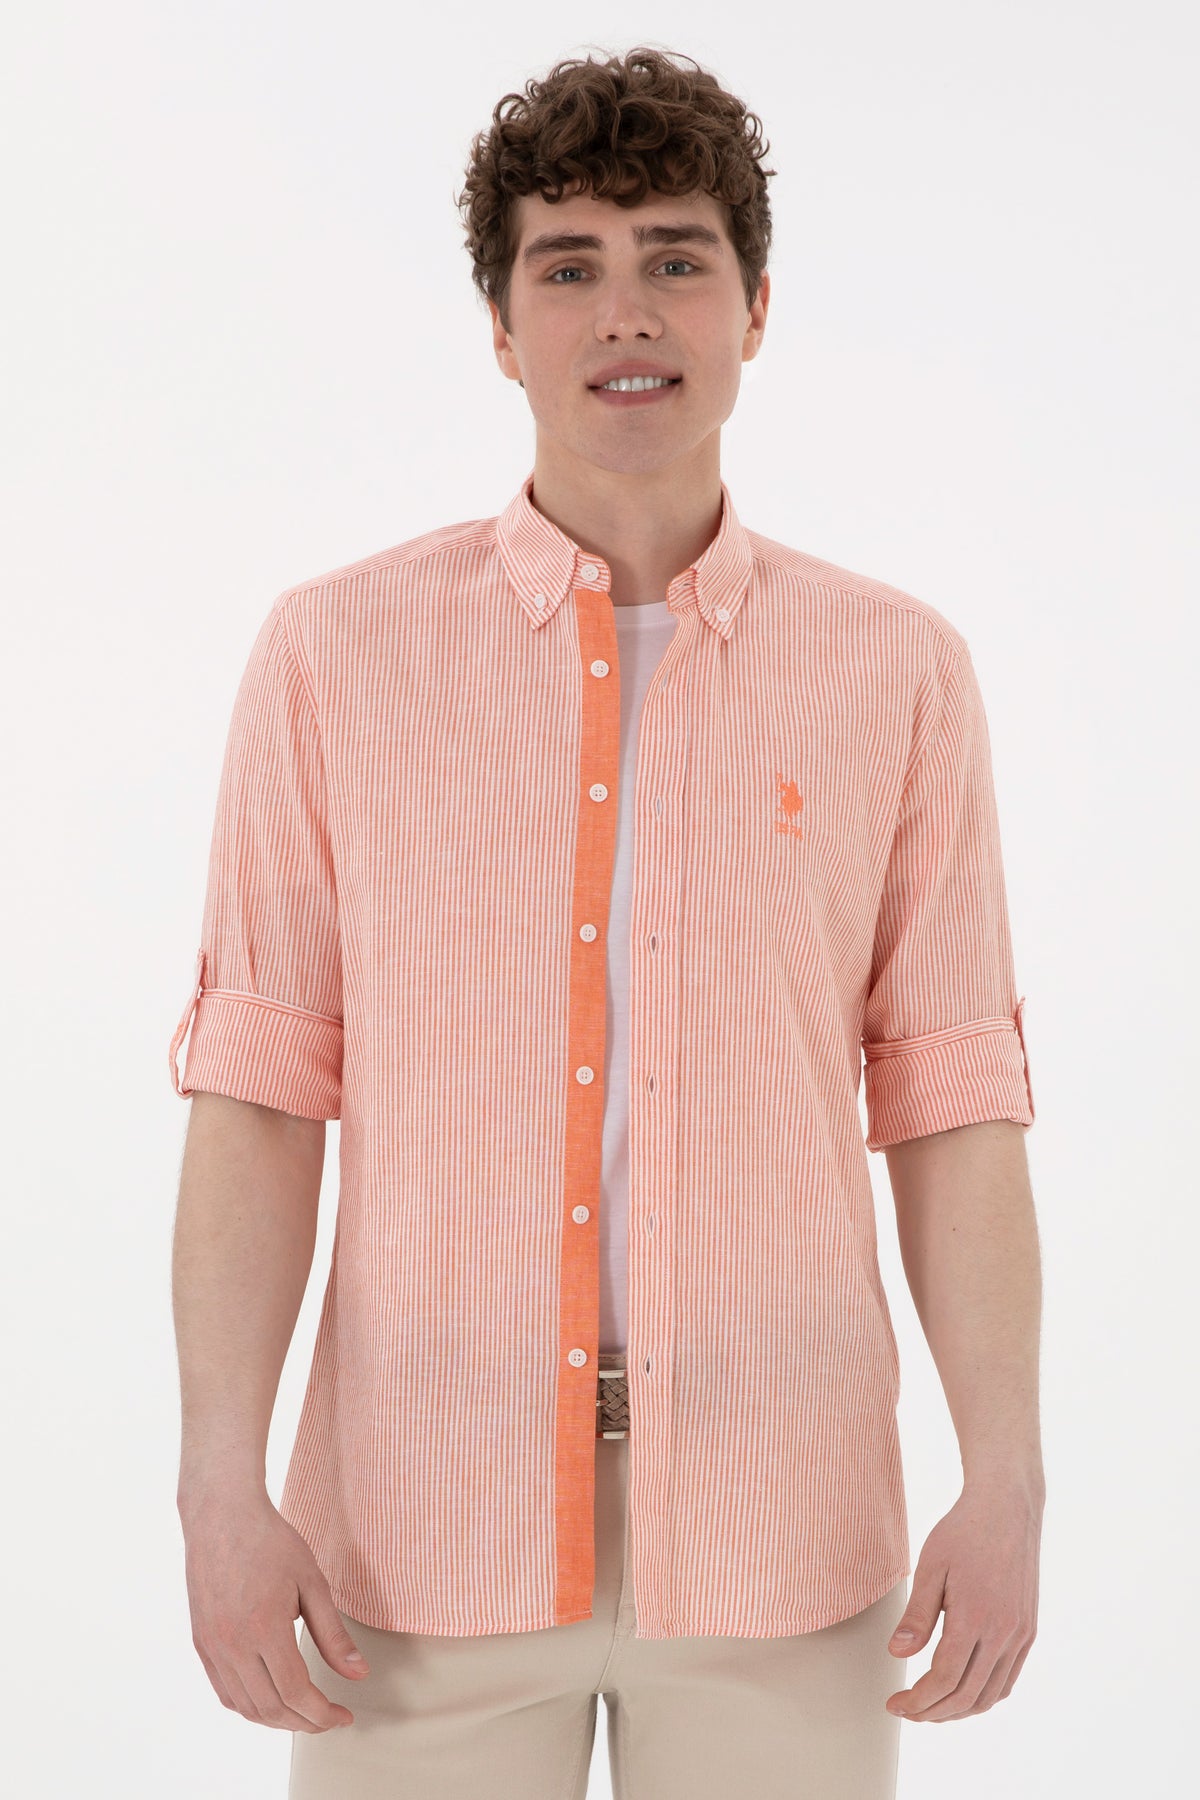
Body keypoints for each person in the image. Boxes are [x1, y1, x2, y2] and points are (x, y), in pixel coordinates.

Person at [168, 45, 1044, 1800]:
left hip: (786, 1532)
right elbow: (260, 1093)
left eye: (675, 257)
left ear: (755, 308)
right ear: (502, 327)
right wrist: (218, 1483)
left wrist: (1007, 1469)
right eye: (567, 264)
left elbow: (951, 1101)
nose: (625, 310)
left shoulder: (896, 674)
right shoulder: (335, 657)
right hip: (418, 1538)